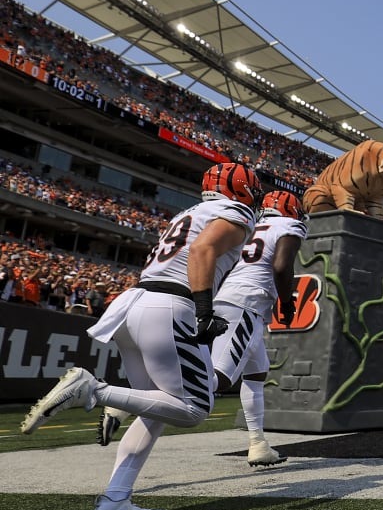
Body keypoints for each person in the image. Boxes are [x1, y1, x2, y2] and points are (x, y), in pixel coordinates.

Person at [20, 162, 260, 510]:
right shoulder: (235, 210)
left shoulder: (192, 210)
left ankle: (115, 501)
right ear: (243, 189)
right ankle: (93, 390)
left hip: (135, 303)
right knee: (195, 408)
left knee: (155, 408)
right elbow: (202, 250)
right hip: (169, 306)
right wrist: (204, 310)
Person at [99, 190, 308, 467]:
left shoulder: (253, 225)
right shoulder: (288, 226)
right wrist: (287, 301)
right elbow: (282, 267)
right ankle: (124, 401)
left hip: (227, 297)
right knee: (217, 379)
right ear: (292, 210)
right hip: (247, 303)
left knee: (257, 372)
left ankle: (258, 443)